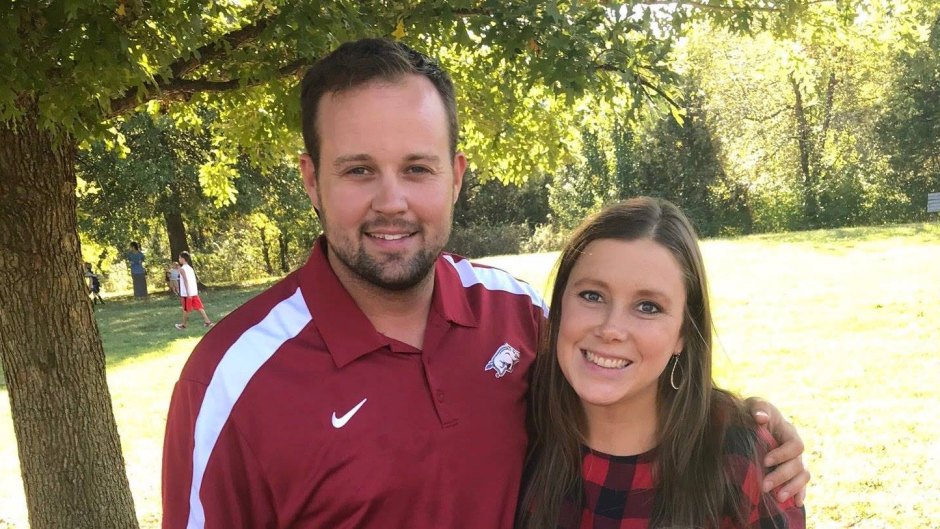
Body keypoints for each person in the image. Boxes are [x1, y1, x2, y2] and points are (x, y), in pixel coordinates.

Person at [162, 39, 809, 529]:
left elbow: (631, 368)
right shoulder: (232, 379)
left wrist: (751, 432)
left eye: (417, 168)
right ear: (311, 179)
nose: (393, 201)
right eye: (359, 170)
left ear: (456, 175)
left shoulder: (519, 315)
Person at [518, 197, 806, 529]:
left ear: (684, 332)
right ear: (560, 305)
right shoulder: (518, 428)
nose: (611, 329)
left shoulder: (738, 456)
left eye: (648, 307)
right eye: (592, 296)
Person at [174, 251, 213, 330]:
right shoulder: (190, 268)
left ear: (182, 258)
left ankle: (183, 325)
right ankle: (207, 321)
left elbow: (185, 280)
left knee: (185, 309)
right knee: (199, 307)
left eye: (179, 258)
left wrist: (188, 293)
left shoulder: (182, 269)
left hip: (187, 293)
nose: (179, 259)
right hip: (193, 292)